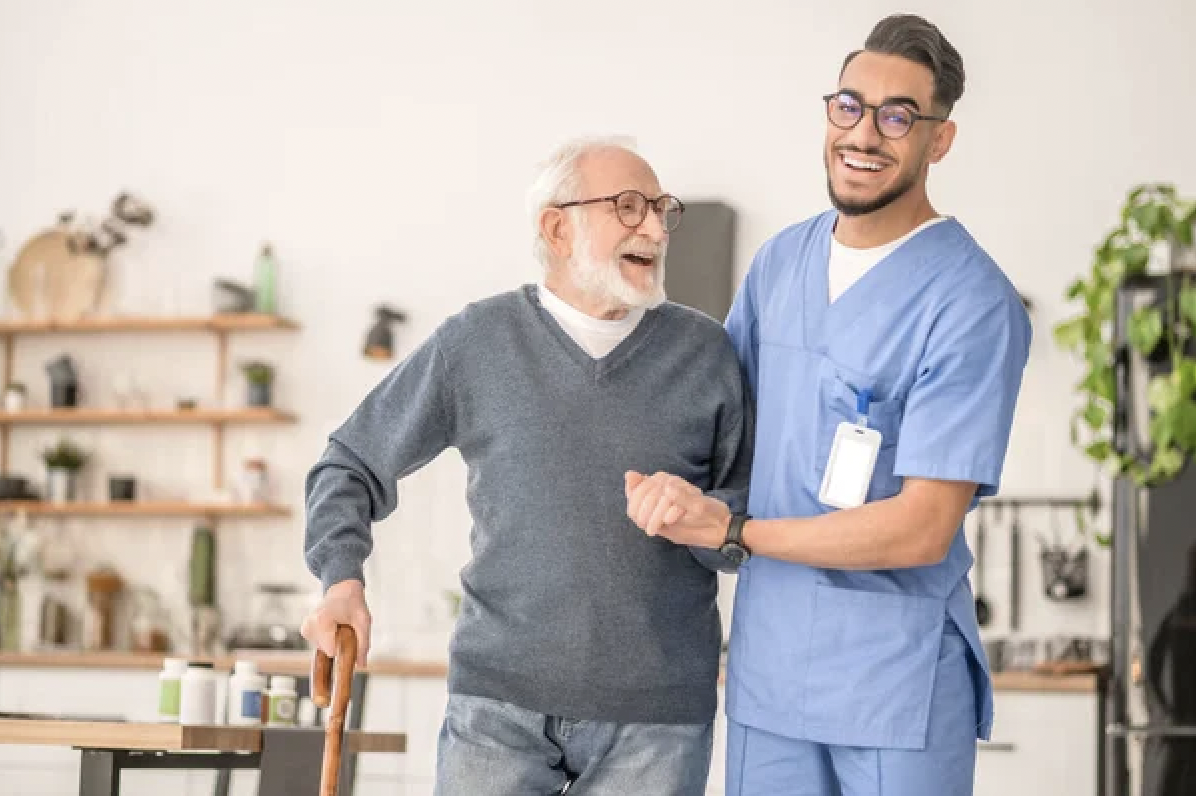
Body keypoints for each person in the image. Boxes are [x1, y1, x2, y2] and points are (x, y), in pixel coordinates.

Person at [624, 14, 1032, 795]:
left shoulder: (971, 300)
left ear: (937, 140)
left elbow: (923, 527)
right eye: (850, 105)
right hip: (770, 670)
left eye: (898, 116)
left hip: (893, 681)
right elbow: (719, 437)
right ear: (828, 114)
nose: (866, 133)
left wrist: (736, 530)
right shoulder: (781, 264)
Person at [300, 136, 753, 796]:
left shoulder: (707, 353)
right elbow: (350, 462)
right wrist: (340, 577)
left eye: (662, 210)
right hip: (497, 710)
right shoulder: (477, 342)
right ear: (557, 226)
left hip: (658, 719)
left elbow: (747, 528)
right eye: (628, 207)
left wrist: (713, 523)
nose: (654, 227)